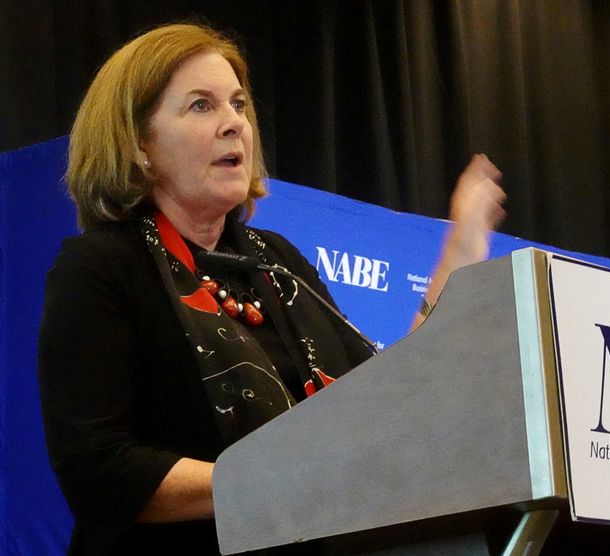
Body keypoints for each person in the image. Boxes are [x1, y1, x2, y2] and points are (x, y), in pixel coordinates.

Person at [37, 23, 505, 555]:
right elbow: (99, 468)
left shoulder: (276, 262)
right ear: (139, 144)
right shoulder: (102, 267)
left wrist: (459, 260)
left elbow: (383, 406)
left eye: (238, 104)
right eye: (200, 106)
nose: (234, 123)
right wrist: (272, 482)